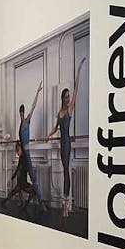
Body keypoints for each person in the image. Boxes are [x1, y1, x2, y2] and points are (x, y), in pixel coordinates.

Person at [46, 57, 86, 216]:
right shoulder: (59, 112)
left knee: (66, 171)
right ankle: (64, 202)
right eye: (66, 97)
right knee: (64, 170)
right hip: (62, 144)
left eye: (69, 96)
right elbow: (55, 128)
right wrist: (49, 135)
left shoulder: (69, 110)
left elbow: (76, 89)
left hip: (67, 143)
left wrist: (79, 70)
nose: (69, 98)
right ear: (62, 98)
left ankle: (65, 201)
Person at [18, 80, 50, 211]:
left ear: (24, 113)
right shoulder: (20, 126)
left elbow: (33, 106)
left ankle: (41, 202)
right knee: (20, 180)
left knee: (34, 178)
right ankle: (23, 202)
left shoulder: (27, 121)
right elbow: (20, 141)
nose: (21, 115)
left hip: (27, 156)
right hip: (22, 157)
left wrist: (37, 92)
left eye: (22, 113)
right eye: (20, 113)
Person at [1, 141, 35, 209]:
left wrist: (14, 176)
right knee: (30, 191)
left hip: (22, 181)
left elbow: (22, 168)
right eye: (16, 151)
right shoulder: (22, 158)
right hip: (22, 181)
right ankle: (24, 205)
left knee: (16, 191)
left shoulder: (24, 158)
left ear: (21, 149)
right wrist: (14, 176)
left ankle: (23, 204)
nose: (17, 152)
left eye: (18, 150)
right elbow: (19, 168)